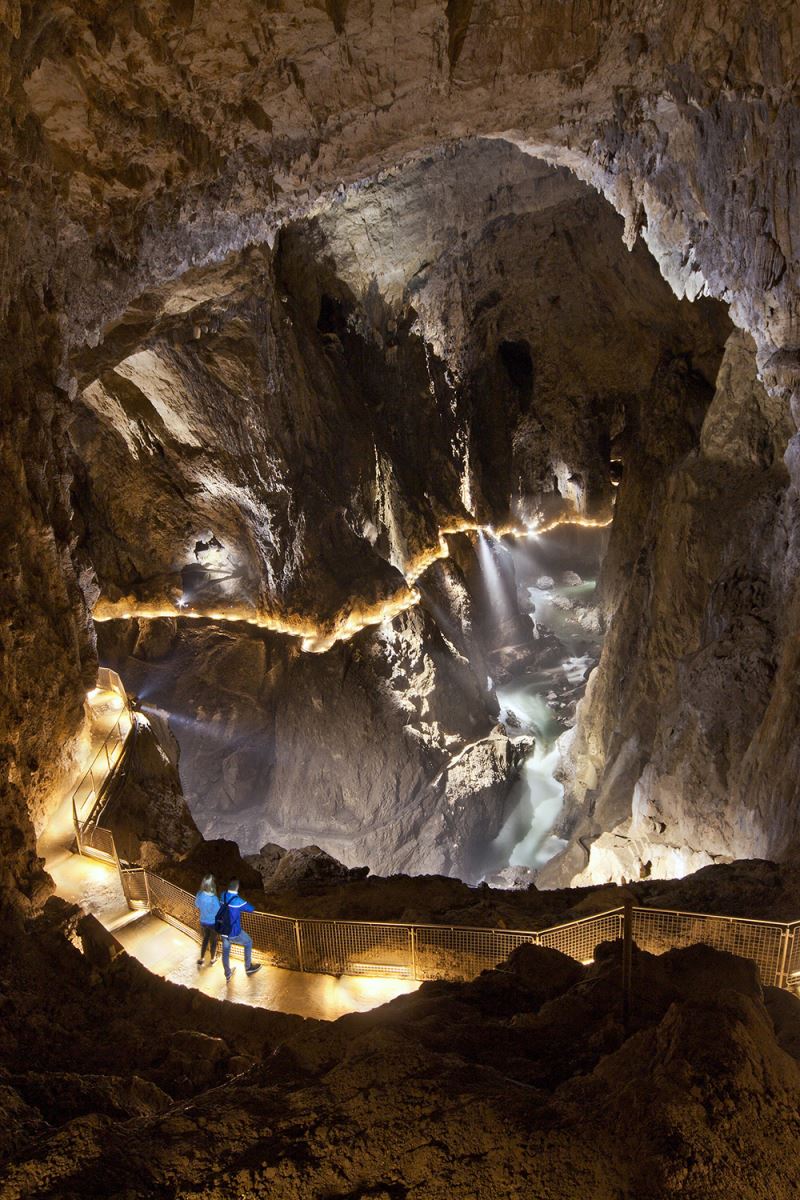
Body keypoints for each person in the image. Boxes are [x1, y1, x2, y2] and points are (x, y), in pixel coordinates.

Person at [218, 878, 262, 982]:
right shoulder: (237, 901)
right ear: (237, 889)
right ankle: (248, 967)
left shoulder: (223, 895)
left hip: (223, 930)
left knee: (226, 952)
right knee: (248, 942)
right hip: (234, 932)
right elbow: (251, 908)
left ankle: (228, 974)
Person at [194, 874, 220, 966]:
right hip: (212, 923)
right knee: (213, 942)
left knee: (205, 939)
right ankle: (213, 959)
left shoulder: (199, 894)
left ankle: (202, 958)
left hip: (203, 921)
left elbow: (196, 905)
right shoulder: (214, 899)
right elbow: (218, 912)